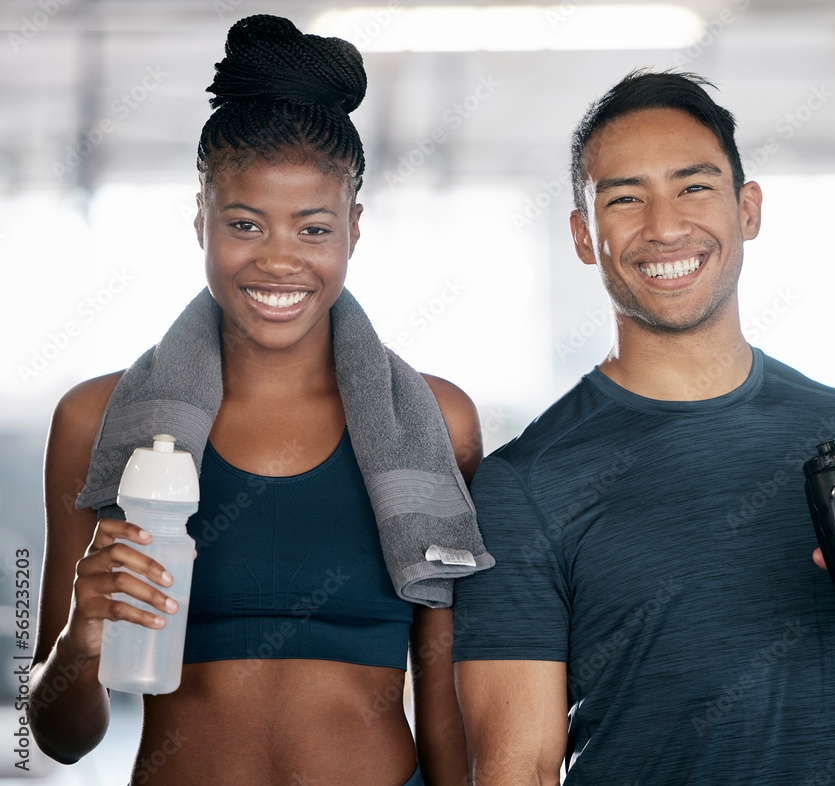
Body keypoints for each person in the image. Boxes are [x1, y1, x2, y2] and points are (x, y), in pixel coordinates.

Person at [451, 70, 835, 784]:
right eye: (625, 198)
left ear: (748, 209)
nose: (665, 225)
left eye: (694, 187)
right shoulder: (527, 483)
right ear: (584, 236)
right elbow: (517, 767)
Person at [28, 15, 489, 786]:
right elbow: (58, 739)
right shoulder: (97, 421)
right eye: (244, 224)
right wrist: (80, 640)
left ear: (354, 229)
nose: (278, 260)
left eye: (314, 228)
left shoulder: (435, 422)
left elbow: (445, 703)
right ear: (200, 218)